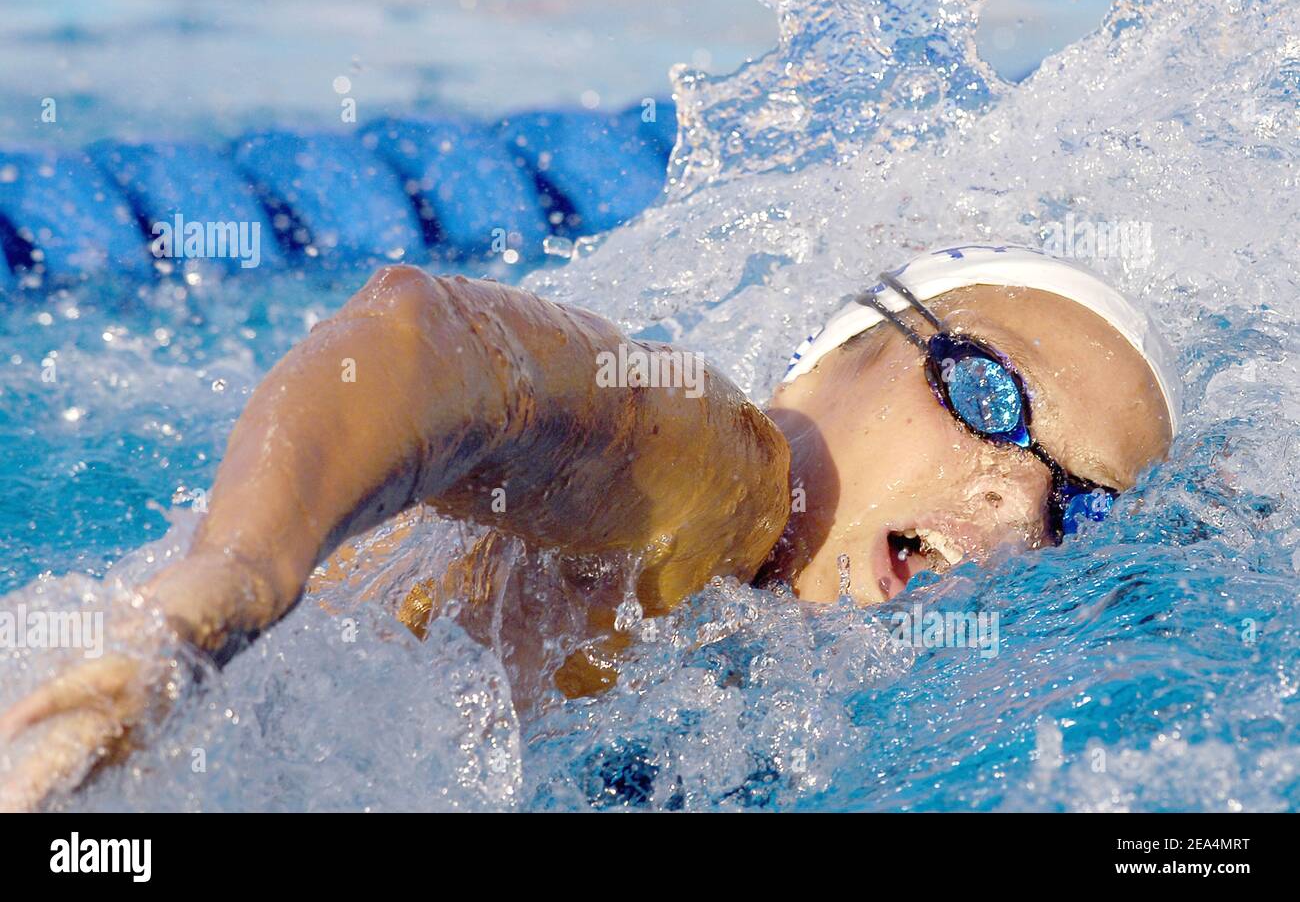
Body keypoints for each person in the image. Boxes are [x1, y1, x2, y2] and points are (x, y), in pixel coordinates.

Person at [0, 244, 1178, 809]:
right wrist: (238, 573)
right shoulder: (728, 473)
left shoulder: (791, 685)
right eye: (991, 398)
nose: (1012, 501)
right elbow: (429, 341)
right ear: (831, 363)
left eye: (1077, 505)